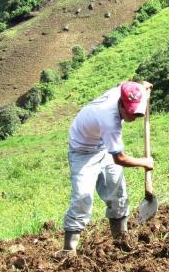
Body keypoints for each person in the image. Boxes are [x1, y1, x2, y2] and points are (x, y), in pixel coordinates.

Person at [62, 81, 154, 254]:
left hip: (103, 145)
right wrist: (145, 162)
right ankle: (68, 252)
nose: (134, 117)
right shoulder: (109, 120)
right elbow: (119, 159)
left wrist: (143, 88)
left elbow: (128, 85)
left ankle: (121, 241)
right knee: (83, 199)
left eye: (138, 113)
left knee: (118, 195)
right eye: (132, 113)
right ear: (121, 104)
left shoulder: (128, 91)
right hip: (82, 150)